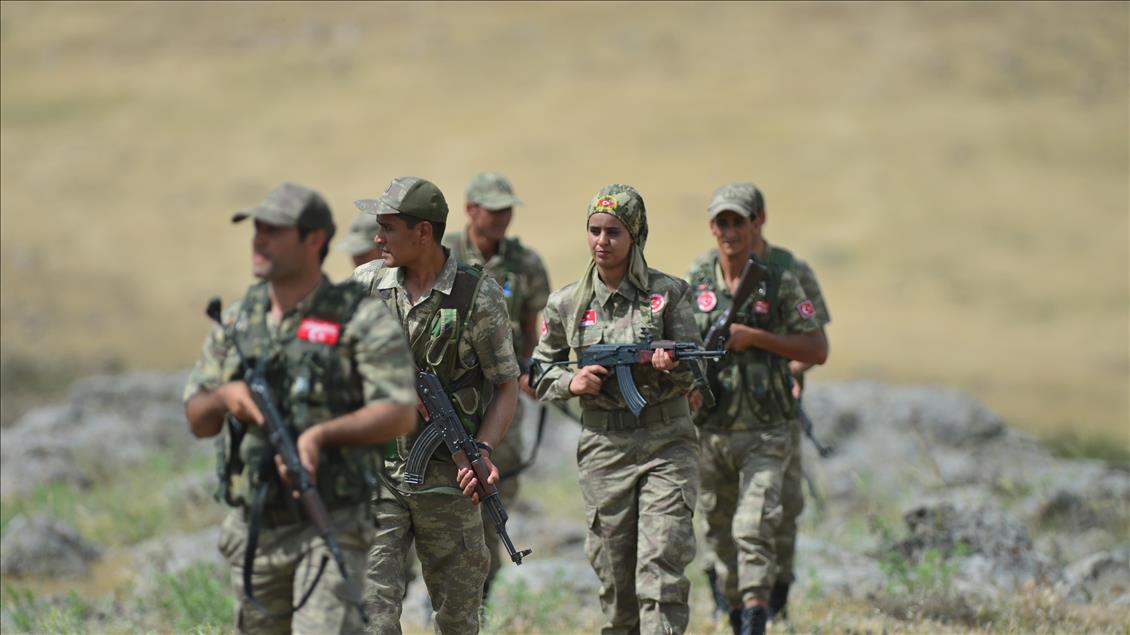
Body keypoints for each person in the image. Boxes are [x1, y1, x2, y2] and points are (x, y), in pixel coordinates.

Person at [183, 181, 417, 634]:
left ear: (314, 241)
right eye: (257, 229)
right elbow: (197, 418)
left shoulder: (359, 318)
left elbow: (399, 411)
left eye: (274, 231)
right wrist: (224, 398)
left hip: (332, 523)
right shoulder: (237, 320)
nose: (259, 240)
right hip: (256, 529)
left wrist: (320, 436)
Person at [352, 176, 520, 635]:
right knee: (372, 611)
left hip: (449, 481)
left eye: (388, 227)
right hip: (379, 473)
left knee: (457, 618)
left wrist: (482, 450)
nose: (377, 237)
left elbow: (506, 384)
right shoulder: (366, 286)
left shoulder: (477, 296)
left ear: (423, 232)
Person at [531, 184, 701, 635]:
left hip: (668, 443)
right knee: (615, 576)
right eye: (594, 230)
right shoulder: (567, 304)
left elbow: (696, 373)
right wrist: (573, 381)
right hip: (605, 448)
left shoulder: (669, 295)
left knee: (661, 563)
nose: (602, 241)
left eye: (614, 232)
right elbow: (538, 370)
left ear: (636, 236)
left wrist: (670, 368)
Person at [685, 182, 828, 635]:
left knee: (765, 524)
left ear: (757, 222)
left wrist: (759, 341)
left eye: (738, 222)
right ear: (711, 227)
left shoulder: (783, 275)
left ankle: (763, 611)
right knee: (718, 530)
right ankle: (730, 609)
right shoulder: (697, 278)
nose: (729, 231)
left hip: (769, 424)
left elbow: (815, 344)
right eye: (721, 222)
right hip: (714, 427)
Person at [442, 171, 551, 599]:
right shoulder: (441, 255)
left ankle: (478, 605)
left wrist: (530, 371)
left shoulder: (524, 264)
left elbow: (530, 328)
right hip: (446, 401)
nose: (503, 216)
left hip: (500, 403)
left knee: (492, 505)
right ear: (471, 209)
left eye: (508, 208)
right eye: (494, 208)